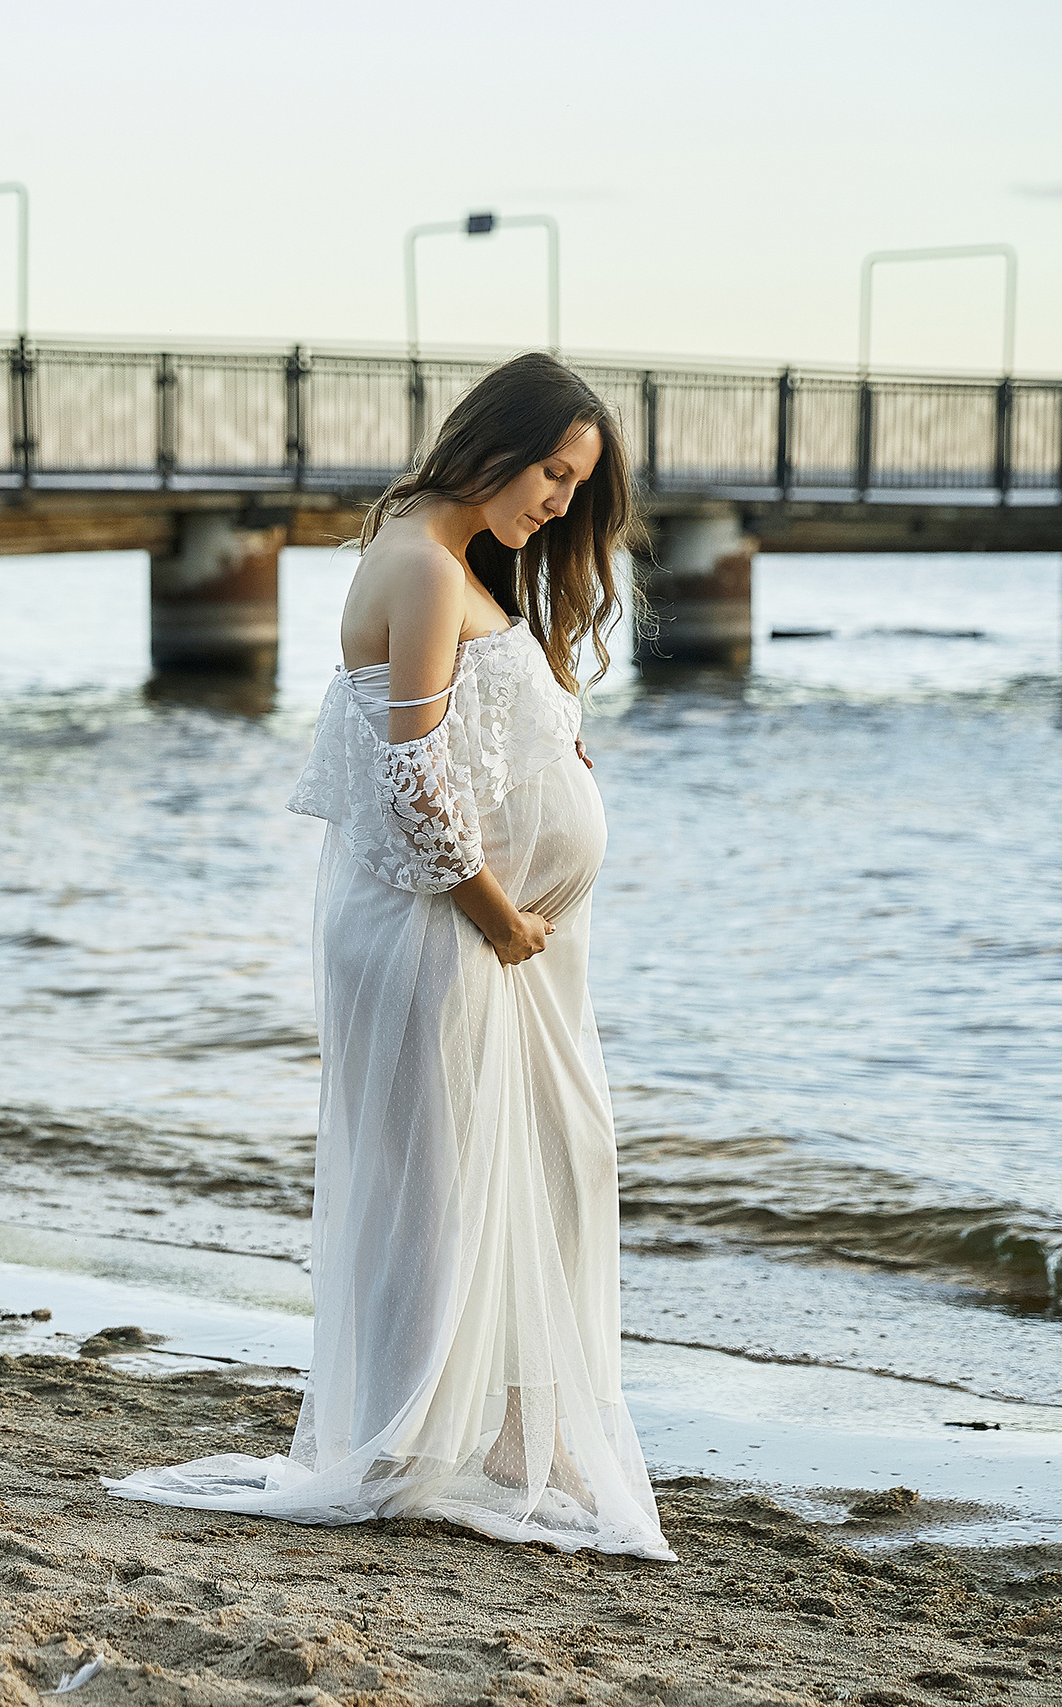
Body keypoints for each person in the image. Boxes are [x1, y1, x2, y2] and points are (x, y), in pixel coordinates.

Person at [104, 352, 675, 1560]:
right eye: (554, 474)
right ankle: (425, 1443)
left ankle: (520, 1441)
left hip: (484, 941)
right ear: (494, 443)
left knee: (543, 1170)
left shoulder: (443, 559)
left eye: (577, 486)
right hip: (447, 935)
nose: (560, 503)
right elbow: (408, 778)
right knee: (446, 1192)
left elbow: (457, 742)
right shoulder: (419, 565)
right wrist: (499, 913)